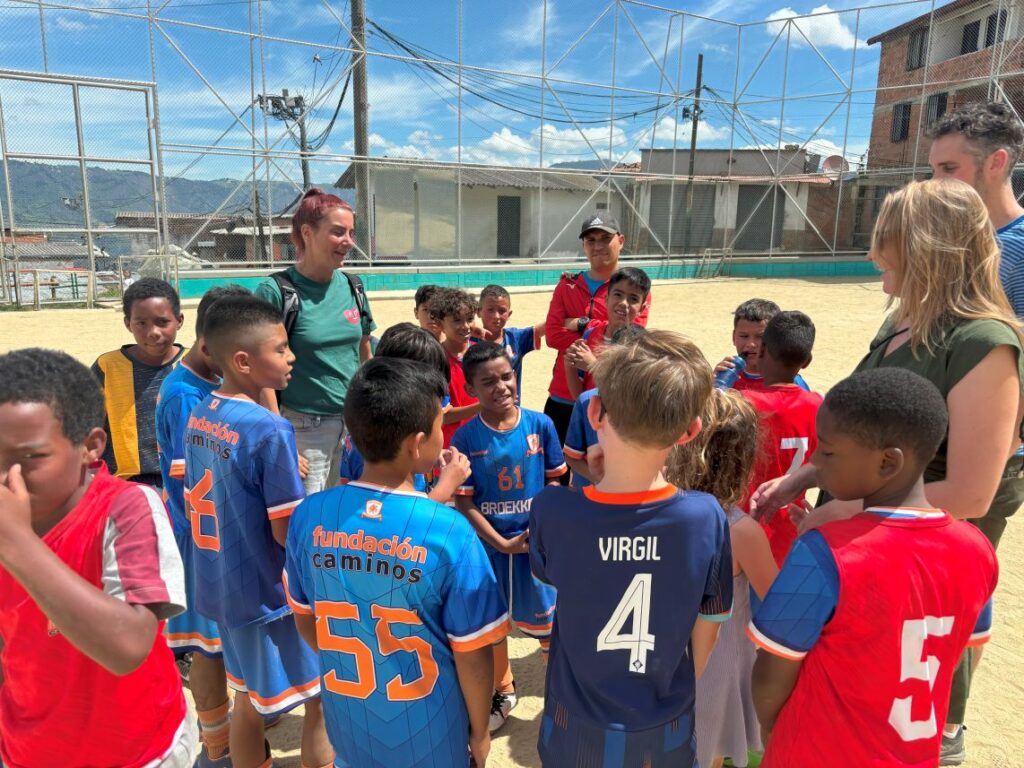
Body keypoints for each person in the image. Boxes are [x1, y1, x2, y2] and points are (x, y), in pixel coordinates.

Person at [749, 178, 1024, 765]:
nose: (873, 255)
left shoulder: (984, 343)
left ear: (928, 247)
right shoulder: (900, 322)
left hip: (908, 568)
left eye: (885, 241)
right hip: (858, 555)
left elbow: (973, 492)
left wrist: (840, 513)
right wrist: (802, 480)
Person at [749, 367, 998, 767]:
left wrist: (773, 732)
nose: (815, 461)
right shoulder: (978, 550)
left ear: (887, 463)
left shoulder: (824, 553)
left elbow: (770, 678)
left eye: (827, 451)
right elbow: (959, 658)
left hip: (815, 752)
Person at [284, 357, 510, 768]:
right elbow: (474, 654)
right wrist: (479, 731)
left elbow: (306, 619)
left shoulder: (310, 515)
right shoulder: (448, 530)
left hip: (350, 719)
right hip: (430, 730)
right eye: (441, 426)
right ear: (416, 443)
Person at [529, 330, 732, 767]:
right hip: (664, 723)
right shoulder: (705, 517)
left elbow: (551, 577)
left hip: (574, 722)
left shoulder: (554, 509)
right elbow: (709, 626)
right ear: (689, 431)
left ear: (595, 411)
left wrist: (601, 487)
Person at [0, 349, 195, 767]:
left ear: (90, 446)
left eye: (30, 457)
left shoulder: (124, 509)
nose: (6, 476)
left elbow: (128, 646)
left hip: (138, 750)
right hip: (29, 748)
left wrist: (17, 543)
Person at [185, 296, 331, 768]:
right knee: (322, 698)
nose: (292, 358)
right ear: (244, 361)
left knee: (247, 698)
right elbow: (288, 531)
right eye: (282, 349)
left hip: (221, 584)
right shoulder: (269, 430)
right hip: (267, 594)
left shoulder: (203, 410)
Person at [156, 284, 250, 766]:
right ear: (209, 344)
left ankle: (235, 729)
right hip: (201, 543)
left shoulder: (210, 384)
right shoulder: (183, 396)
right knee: (206, 646)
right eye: (240, 352)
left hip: (216, 538)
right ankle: (218, 745)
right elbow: (191, 483)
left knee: (220, 642)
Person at [452, 342, 567, 732]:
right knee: (495, 625)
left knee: (549, 625)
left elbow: (555, 481)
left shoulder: (541, 425)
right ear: (471, 389)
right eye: (488, 382)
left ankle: (561, 694)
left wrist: (541, 524)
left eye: (507, 376)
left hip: (537, 546)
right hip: (491, 550)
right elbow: (465, 503)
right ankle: (503, 688)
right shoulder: (466, 439)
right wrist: (499, 542)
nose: (501, 386)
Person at [666, 389, 778, 768]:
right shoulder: (742, 531)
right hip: (715, 664)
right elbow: (780, 609)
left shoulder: (654, 513)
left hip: (659, 657)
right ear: (743, 458)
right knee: (707, 752)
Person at [255, 188, 375, 494]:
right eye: (338, 232)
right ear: (307, 233)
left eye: (351, 232)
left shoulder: (353, 286)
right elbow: (261, 373)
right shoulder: (276, 292)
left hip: (352, 424)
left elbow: (364, 351)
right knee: (304, 516)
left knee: (335, 514)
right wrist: (281, 439)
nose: (349, 242)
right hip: (303, 429)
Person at [543, 213, 652, 447]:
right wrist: (595, 335)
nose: (598, 246)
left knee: (600, 470)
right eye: (590, 240)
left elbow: (629, 338)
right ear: (583, 245)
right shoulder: (567, 285)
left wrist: (581, 324)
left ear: (620, 241)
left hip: (607, 397)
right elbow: (552, 336)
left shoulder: (635, 290)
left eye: (605, 238)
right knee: (558, 472)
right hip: (562, 396)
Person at [338, 322, 471, 503]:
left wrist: (428, 452)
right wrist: (447, 485)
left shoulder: (373, 427)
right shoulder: (379, 447)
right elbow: (394, 517)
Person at [927, 101, 1024, 317]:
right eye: (933, 170)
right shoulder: (949, 238)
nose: (934, 182)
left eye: (949, 168)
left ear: (996, 163)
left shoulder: (1019, 251)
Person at [741, 310, 822, 566]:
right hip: (791, 524)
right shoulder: (818, 404)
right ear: (807, 361)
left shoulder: (746, 404)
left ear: (762, 352)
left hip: (748, 522)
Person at [92, 276, 185, 487]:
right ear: (127, 324)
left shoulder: (193, 366)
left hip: (186, 482)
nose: (153, 332)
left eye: (162, 322)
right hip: (125, 485)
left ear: (179, 320)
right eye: (141, 323)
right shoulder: (108, 367)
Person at [563, 267, 651, 399]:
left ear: (642, 308)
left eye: (633, 299)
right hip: (590, 415)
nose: (623, 303)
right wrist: (569, 365)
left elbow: (632, 393)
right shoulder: (590, 336)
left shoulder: (641, 345)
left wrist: (594, 365)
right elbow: (579, 396)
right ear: (606, 299)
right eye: (618, 295)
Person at [714, 298, 810, 392]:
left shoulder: (790, 384)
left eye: (760, 337)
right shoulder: (725, 380)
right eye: (744, 336)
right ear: (733, 337)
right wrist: (708, 387)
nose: (751, 344)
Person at [472, 284, 544, 403]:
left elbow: (550, 324)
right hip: (479, 412)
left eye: (502, 311)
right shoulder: (468, 341)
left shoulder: (516, 338)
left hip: (511, 409)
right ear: (479, 312)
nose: (496, 316)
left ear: (509, 314)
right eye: (490, 310)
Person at [430, 288, 483, 445]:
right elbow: (443, 417)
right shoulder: (436, 360)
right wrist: (484, 405)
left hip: (482, 441)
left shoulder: (482, 354)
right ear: (440, 323)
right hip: (452, 445)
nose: (466, 326)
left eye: (469, 319)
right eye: (457, 320)